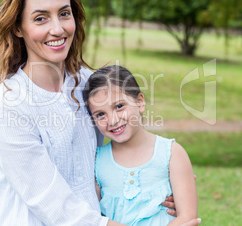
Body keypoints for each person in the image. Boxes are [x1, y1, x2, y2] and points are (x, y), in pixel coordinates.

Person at [0, 0, 201, 226]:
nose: (58, 29)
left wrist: (163, 182)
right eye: (41, 18)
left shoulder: (86, 83)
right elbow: (50, 202)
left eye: (64, 13)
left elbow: (121, 147)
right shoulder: (9, 105)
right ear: (18, 28)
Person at [82, 65, 199, 226]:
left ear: (140, 102)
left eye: (119, 106)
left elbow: (188, 217)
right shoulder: (97, 162)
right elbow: (95, 217)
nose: (113, 120)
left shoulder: (171, 153)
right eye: (100, 114)